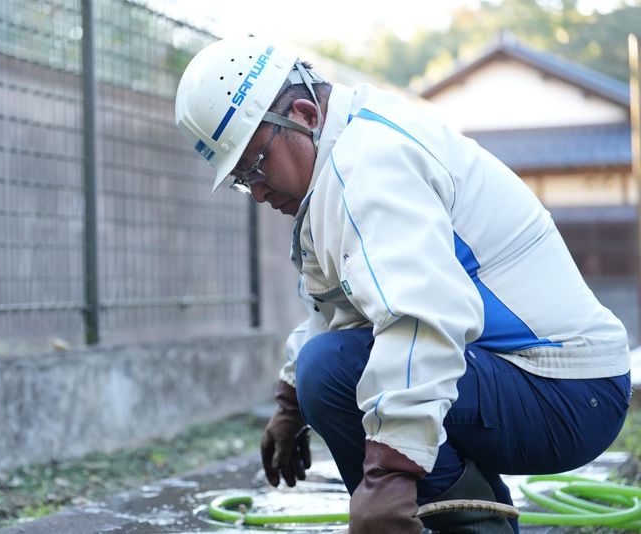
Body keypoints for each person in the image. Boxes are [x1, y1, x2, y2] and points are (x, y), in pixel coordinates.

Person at [174, 37, 632, 534]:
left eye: (255, 165)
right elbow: (337, 313)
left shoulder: (372, 163)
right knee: (323, 369)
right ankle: (462, 520)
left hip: (565, 388)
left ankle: (456, 526)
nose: (257, 191)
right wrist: (289, 403)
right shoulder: (339, 166)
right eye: (242, 179)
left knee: (329, 373)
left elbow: (421, 316)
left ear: (304, 115)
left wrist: (388, 474)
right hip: (539, 382)